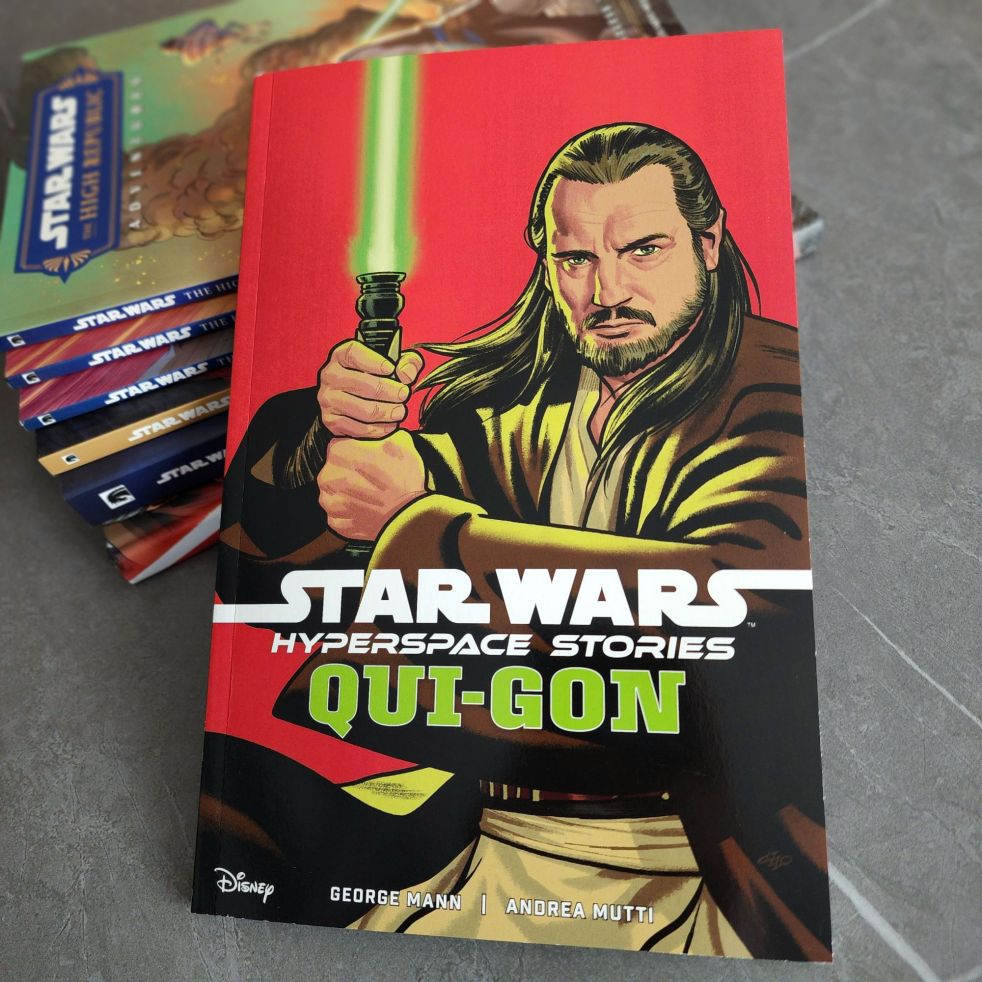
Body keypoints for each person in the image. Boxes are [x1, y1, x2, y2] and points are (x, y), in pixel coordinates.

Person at [217, 123, 831, 960]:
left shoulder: (767, 388)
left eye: (643, 249)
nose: (607, 290)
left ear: (710, 241)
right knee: (232, 805)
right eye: (575, 260)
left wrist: (420, 521)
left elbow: (734, 592)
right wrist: (331, 436)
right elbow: (264, 571)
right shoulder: (534, 406)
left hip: (697, 859)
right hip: (481, 826)